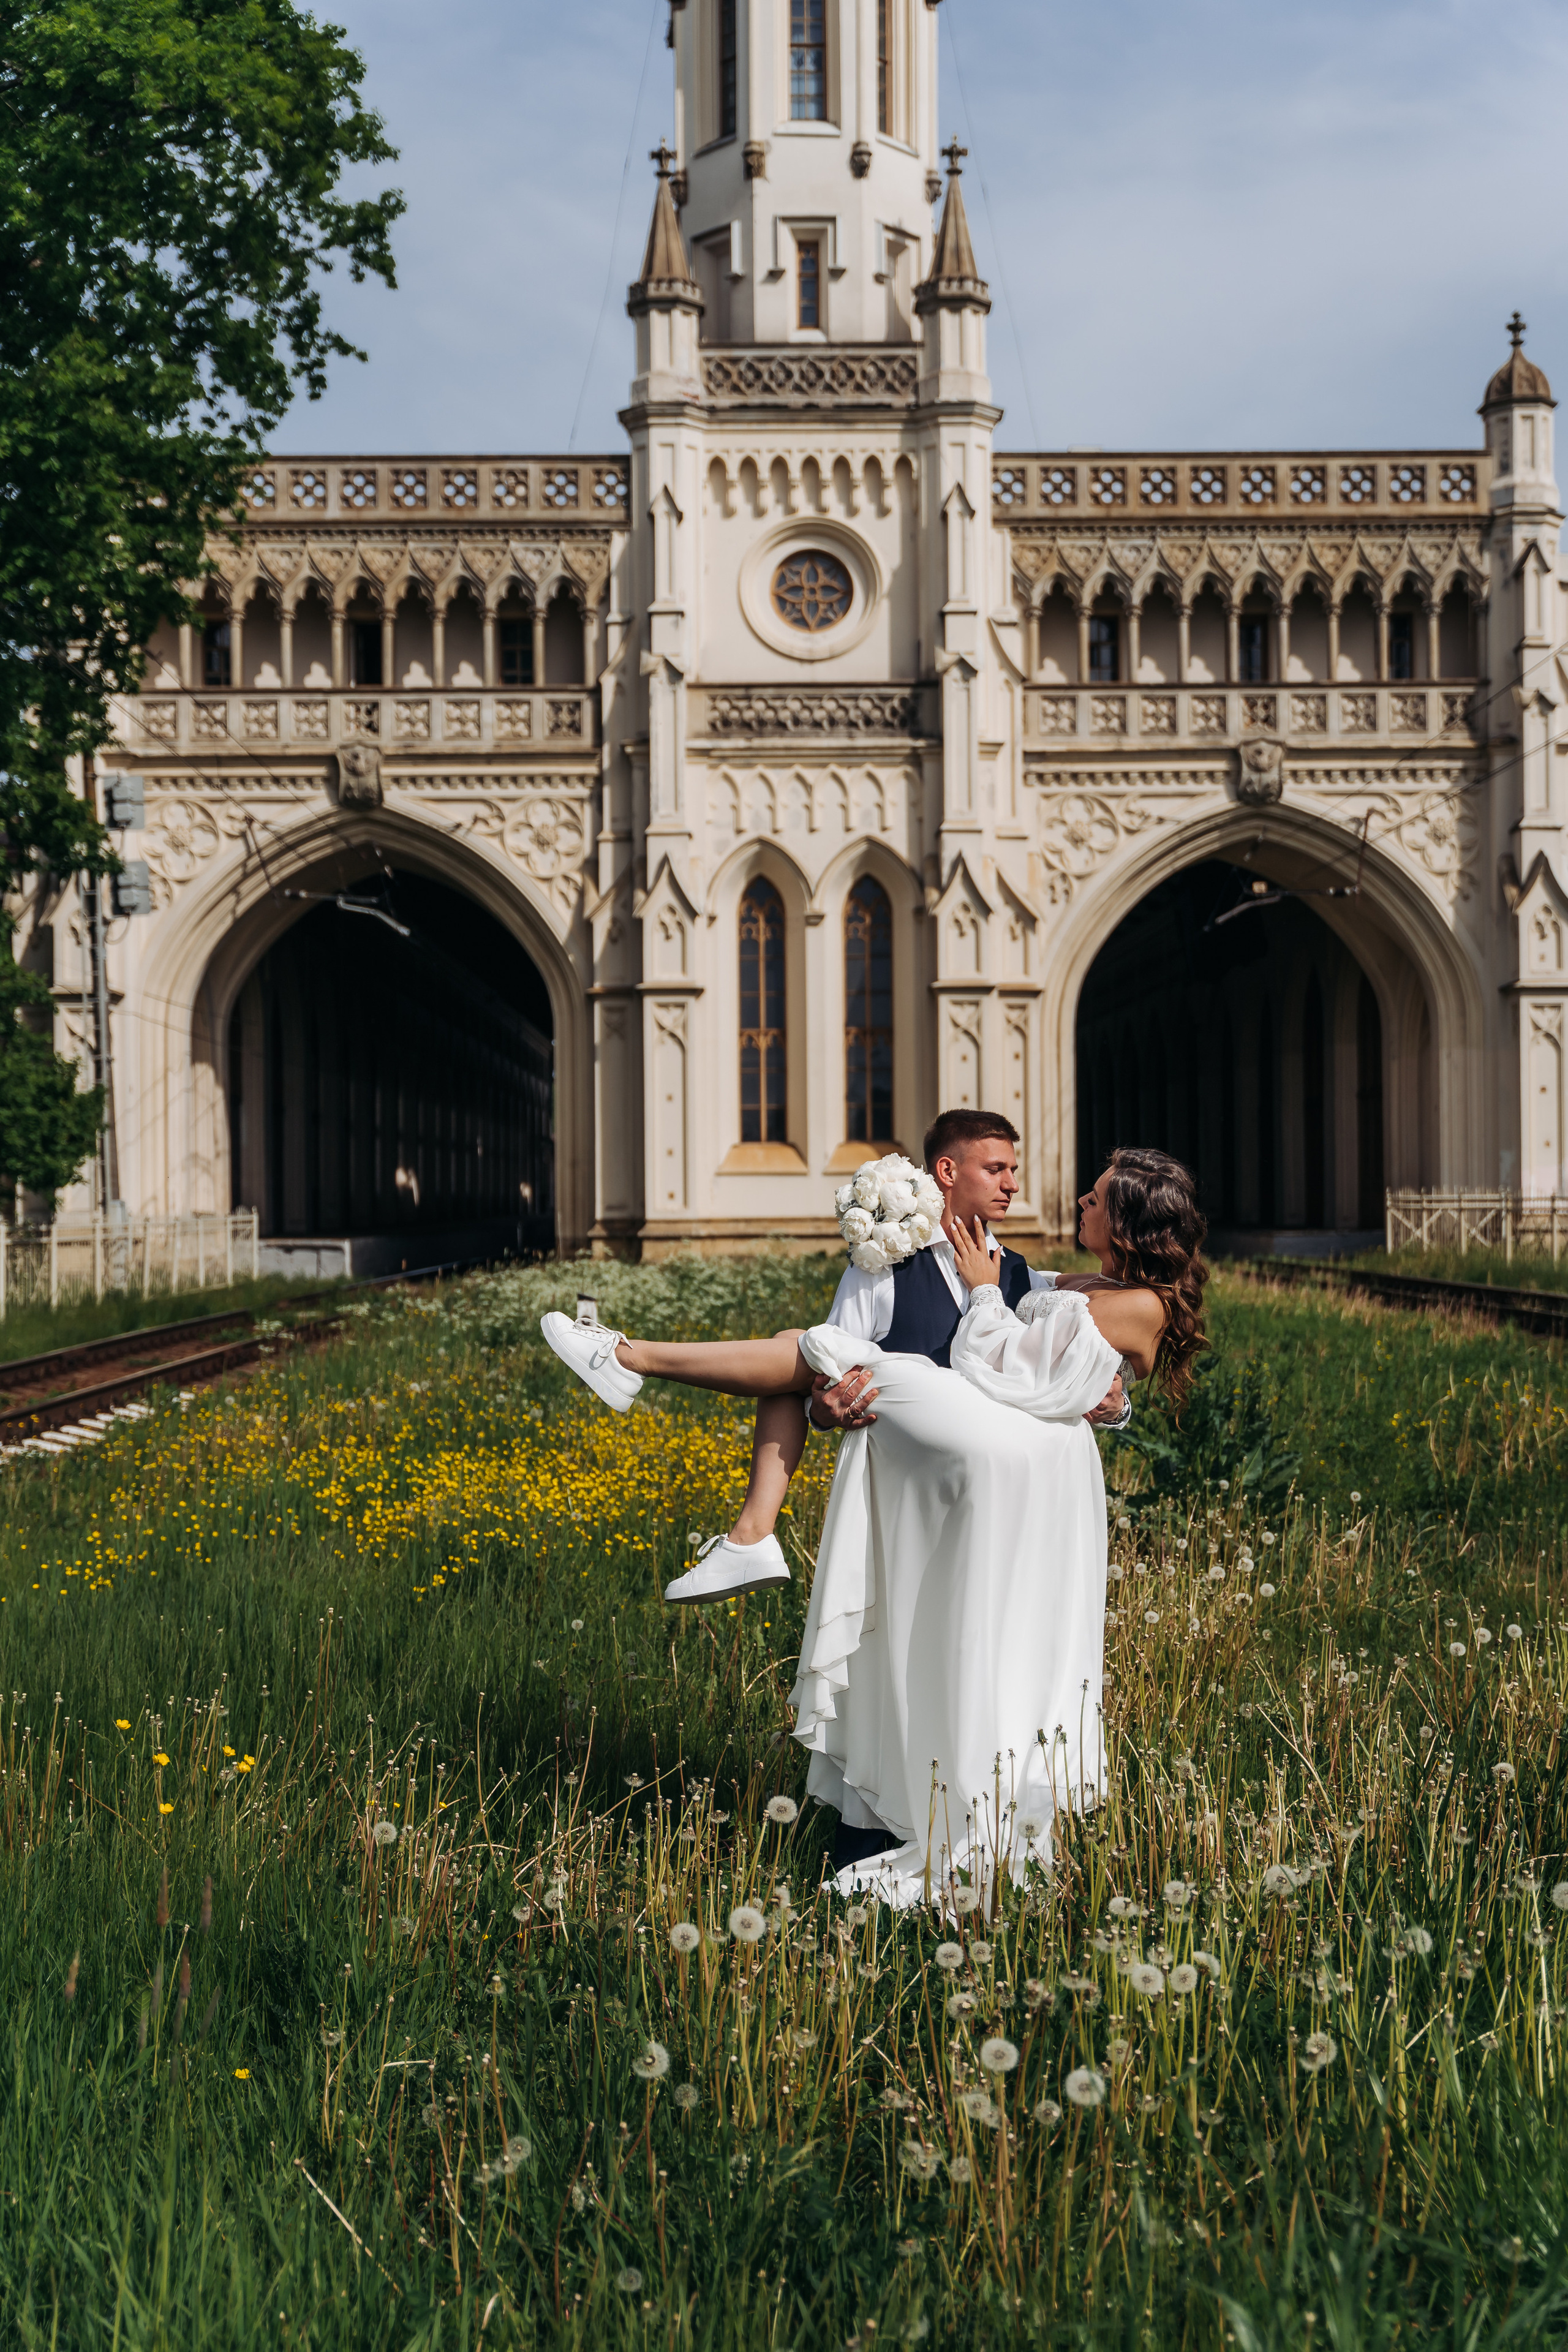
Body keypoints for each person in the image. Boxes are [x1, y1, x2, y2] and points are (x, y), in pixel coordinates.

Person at [540, 1111, 1140, 1607]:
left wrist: (1115, 1398)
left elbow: (1085, 1333)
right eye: (996, 1169)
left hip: (988, 1478)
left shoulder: (1019, 1276)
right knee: (807, 1351)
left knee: (796, 1343)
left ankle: (630, 1361)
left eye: (1014, 1170)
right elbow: (827, 1387)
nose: (1012, 1185)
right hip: (910, 1473)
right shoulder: (885, 1263)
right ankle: (637, 1373)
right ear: (948, 1171)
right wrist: (824, 1411)